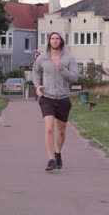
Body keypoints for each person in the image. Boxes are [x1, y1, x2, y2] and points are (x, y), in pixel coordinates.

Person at [33, 32, 78, 171]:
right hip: (47, 98)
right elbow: (35, 72)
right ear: (49, 41)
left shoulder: (70, 57)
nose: (54, 41)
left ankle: (58, 153)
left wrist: (61, 68)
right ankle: (51, 159)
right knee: (49, 128)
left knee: (61, 130)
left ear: (61, 41)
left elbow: (74, 78)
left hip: (63, 98)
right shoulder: (42, 58)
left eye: (57, 38)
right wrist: (37, 86)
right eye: (52, 38)